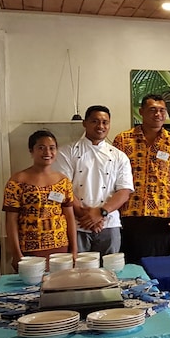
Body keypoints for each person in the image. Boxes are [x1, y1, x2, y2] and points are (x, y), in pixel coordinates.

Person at [112, 94, 170, 263]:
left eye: (162, 110)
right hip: (128, 213)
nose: (158, 114)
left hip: (161, 215)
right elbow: (111, 176)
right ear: (141, 112)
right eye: (153, 110)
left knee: (159, 266)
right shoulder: (123, 140)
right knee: (130, 266)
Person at [54, 105, 134, 256]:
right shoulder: (67, 152)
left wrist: (101, 213)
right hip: (77, 224)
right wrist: (86, 216)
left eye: (105, 122)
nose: (100, 126)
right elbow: (63, 188)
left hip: (109, 224)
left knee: (110, 269)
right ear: (85, 123)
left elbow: (124, 192)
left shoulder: (119, 156)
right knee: (78, 269)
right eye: (95, 121)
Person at [2, 130, 78, 270]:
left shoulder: (63, 181)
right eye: (41, 148)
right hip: (29, 250)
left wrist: (74, 250)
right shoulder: (17, 181)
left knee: (60, 282)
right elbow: (11, 220)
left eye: (52, 148)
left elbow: (69, 217)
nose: (47, 152)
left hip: (61, 249)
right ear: (31, 151)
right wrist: (16, 253)